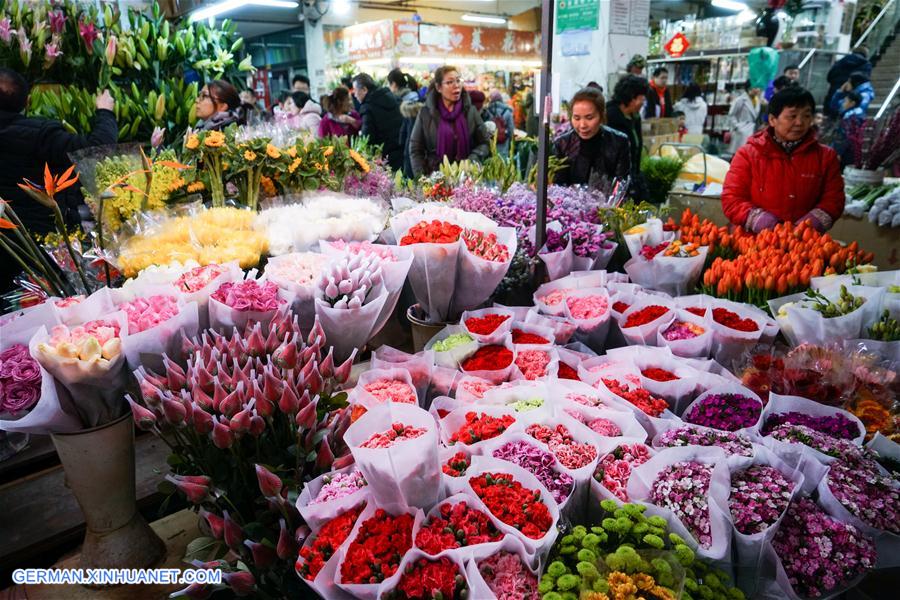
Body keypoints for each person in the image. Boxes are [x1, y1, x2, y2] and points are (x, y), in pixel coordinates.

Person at [0, 68, 118, 290]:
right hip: (45, 253)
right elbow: (97, 150)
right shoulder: (38, 134)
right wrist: (105, 112)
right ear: (27, 102)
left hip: (7, 252)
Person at [722, 87, 844, 233]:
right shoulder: (748, 154)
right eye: (792, 116)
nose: (800, 123)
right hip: (753, 243)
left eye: (806, 116)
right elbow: (732, 199)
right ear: (773, 120)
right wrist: (762, 222)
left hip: (803, 245)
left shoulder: (825, 157)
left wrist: (807, 226)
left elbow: (834, 199)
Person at [409, 65, 490, 177]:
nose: (456, 85)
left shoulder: (470, 111)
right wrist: (422, 178)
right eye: (449, 82)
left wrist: (471, 160)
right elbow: (415, 149)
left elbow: (484, 143)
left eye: (458, 80)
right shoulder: (426, 114)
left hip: (466, 179)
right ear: (438, 88)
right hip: (436, 180)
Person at [552, 87, 630, 188]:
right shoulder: (561, 144)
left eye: (589, 118)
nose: (582, 125)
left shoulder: (619, 142)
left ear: (601, 116)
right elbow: (558, 186)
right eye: (577, 118)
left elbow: (622, 184)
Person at [606, 75, 649, 195]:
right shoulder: (610, 116)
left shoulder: (634, 117)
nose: (643, 101)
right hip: (613, 183)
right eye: (642, 98)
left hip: (632, 179)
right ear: (631, 97)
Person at [352, 73, 404, 170]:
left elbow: (367, 139)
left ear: (364, 89)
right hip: (402, 151)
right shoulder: (392, 97)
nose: (354, 95)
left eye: (355, 91)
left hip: (385, 157)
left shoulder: (367, 107)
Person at [824, 47, 871, 117]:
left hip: (834, 93)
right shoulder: (866, 65)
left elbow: (829, 76)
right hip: (851, 99)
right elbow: (864, 81)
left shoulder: (841, 61)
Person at [726, 81, 761, 154]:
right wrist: (738, 127)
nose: (758, 90)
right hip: (742, 131)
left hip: (753, 130)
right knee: (740, 155)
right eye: (756, 87)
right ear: (749, 88)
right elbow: (731, 115)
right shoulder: (740, 100)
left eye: (758, 87)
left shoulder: (757, 100)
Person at [832, 91, 866, 167]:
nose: (843, 103)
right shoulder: (859, 115)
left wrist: (839, 152)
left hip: (847, 153)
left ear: (852, 103)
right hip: (853, 151)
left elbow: (846, 136)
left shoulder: (851, 118)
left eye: (845, 101)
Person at [482, 90, 515, 157]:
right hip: (503, 141)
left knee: (491, 160)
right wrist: (511, 140)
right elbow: (511, 128)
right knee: (503, 160)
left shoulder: (487, 111)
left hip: (491, 141)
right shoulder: (507, 111)